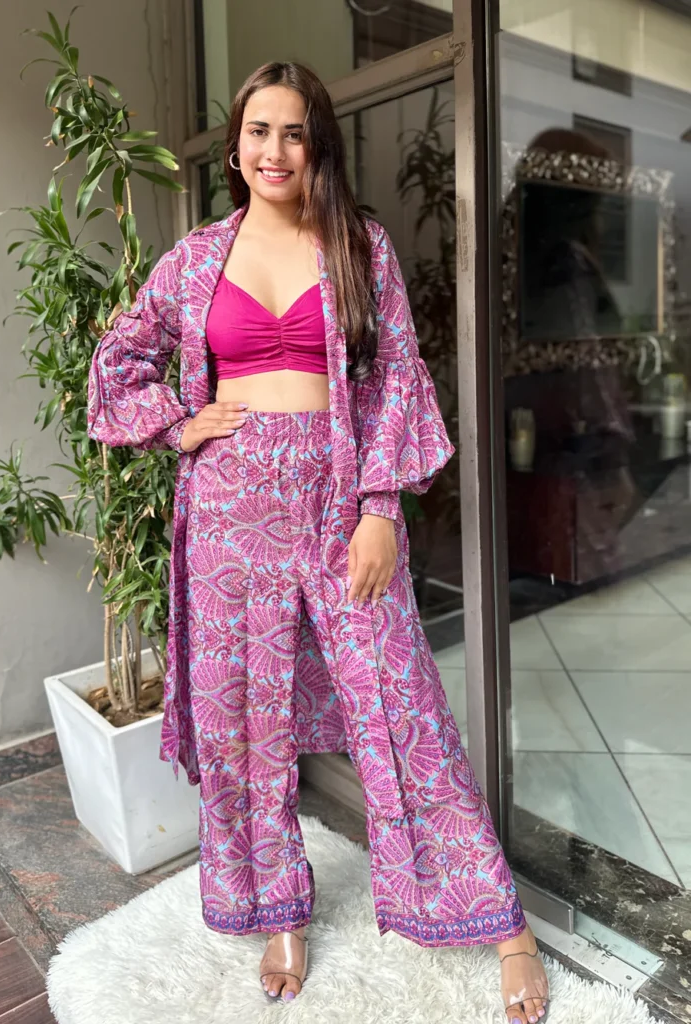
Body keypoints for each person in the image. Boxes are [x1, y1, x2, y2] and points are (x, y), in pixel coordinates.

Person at [87, 61, 549, 1022]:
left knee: (403, 707)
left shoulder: (358, 246)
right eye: (259, 131)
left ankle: (500, 921)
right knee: (242, 722)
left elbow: (397, 378)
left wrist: (381, 506)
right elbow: (119, 362)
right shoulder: (195, 259)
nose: (275, 151)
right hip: (228, 515)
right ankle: (279, 914)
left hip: (336, 506)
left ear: (317, 146)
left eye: (294, 132)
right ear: (234, 148)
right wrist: (180, 423)